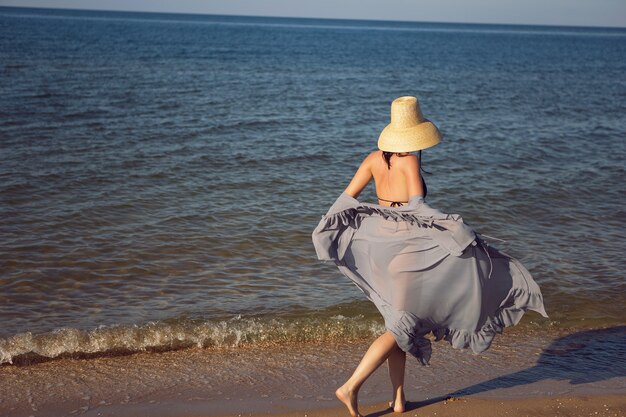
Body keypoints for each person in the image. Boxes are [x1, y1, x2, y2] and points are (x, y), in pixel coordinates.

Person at [311, 96, 548, 417]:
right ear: (416, 134)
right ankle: (350, 386)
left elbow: (345, 202)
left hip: (385, 254)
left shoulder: (372, 159)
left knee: (400, 325)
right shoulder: (409, 161)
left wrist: (327, 228)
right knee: (401, 327)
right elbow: (418, 208)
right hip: (410, 253)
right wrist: (454, 228)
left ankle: (398, 401)